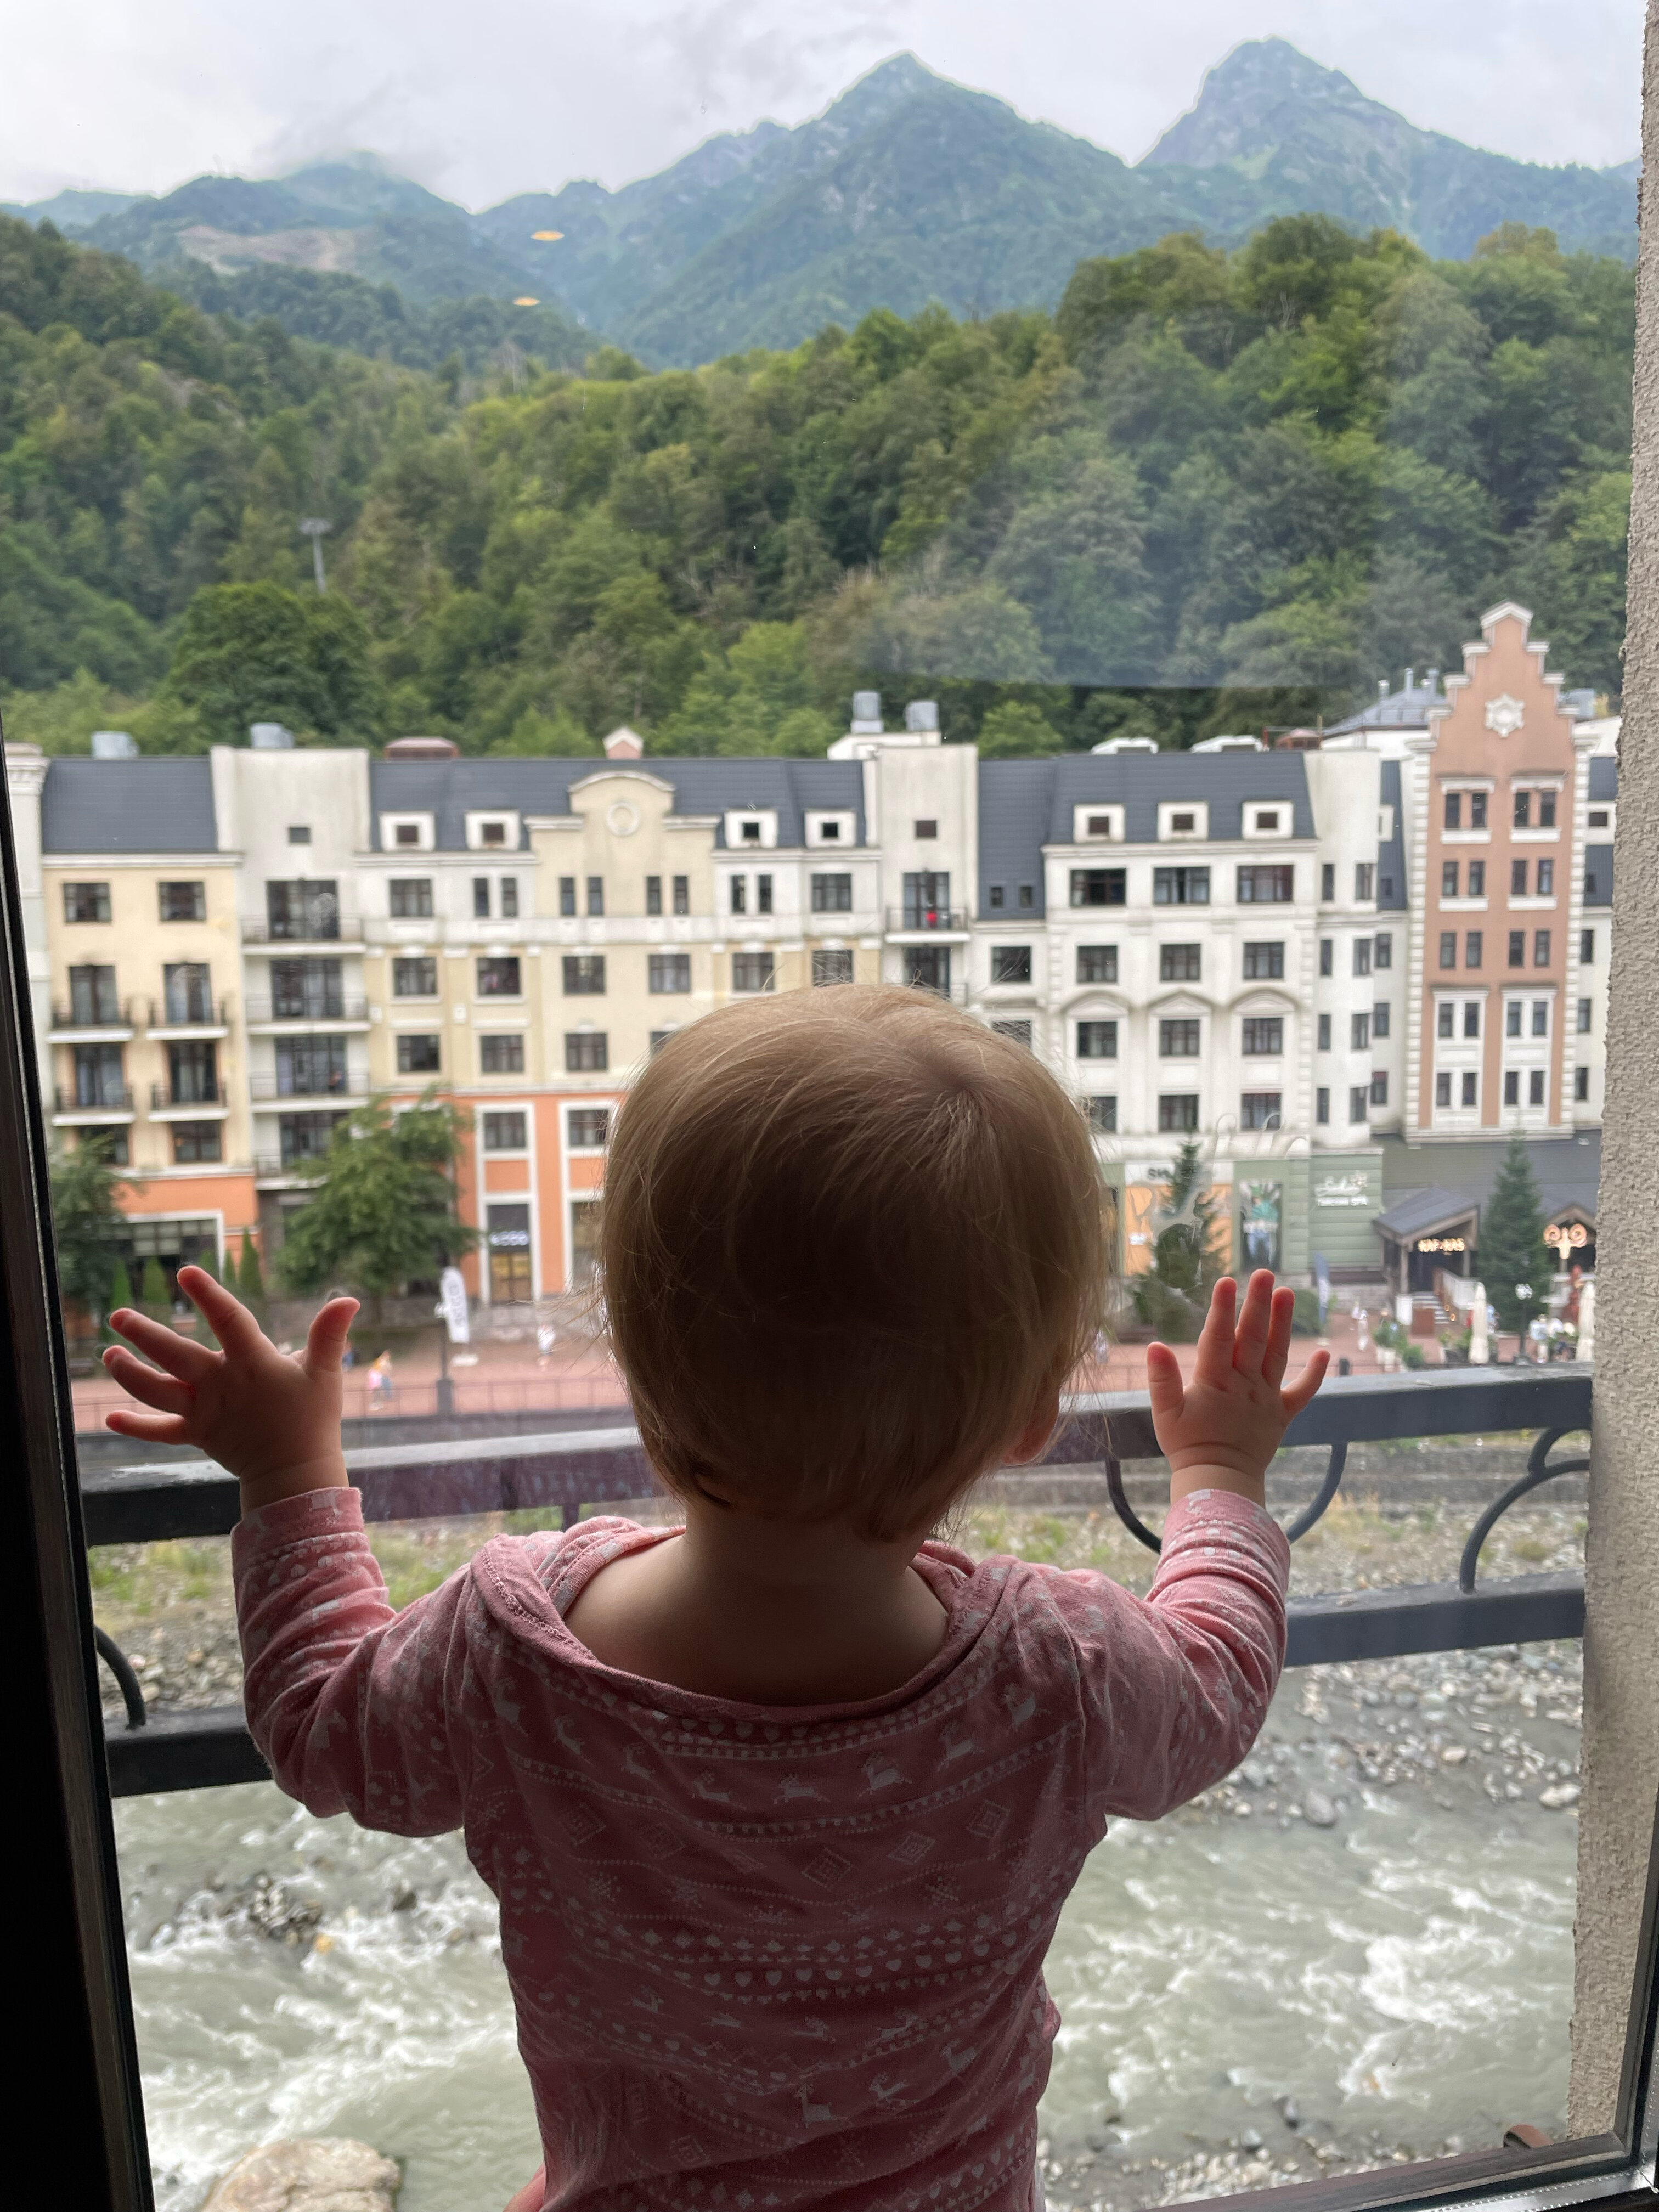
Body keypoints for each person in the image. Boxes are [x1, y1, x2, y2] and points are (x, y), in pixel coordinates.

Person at [101, 986, 1326, 2212]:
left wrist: (289, 1473)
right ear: (1029, 1419)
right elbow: (1212, 1688)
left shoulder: (512, 1652)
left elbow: (323, 1729)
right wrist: (1221, 1474)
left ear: (637, 1360)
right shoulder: (1059, 1670)